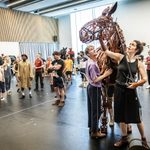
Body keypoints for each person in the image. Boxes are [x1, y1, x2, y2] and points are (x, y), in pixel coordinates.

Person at [103, 40, 149, 148]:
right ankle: (124, 139)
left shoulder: (139, 63)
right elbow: (106, 51)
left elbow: (145, 78)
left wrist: (136, 84)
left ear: (136, 49)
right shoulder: (120, 57)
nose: (129, 45)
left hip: (131, 91)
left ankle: (143, 139)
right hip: (119, 89)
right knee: (120, 116)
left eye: (132, 45)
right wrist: (101, 39)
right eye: (130, 44)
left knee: (137, 117)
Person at [85, 45, 112, 138]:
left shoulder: (91, 61)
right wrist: (106, 74)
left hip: (90, 87)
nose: (94, 50)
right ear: (88, 54)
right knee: (97, 110)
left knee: (91, 109)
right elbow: (95, 80)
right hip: (94, 87)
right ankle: (95, 132)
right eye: (91, 50)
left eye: (93, 48)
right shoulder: (92, 64)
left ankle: (92, 127)